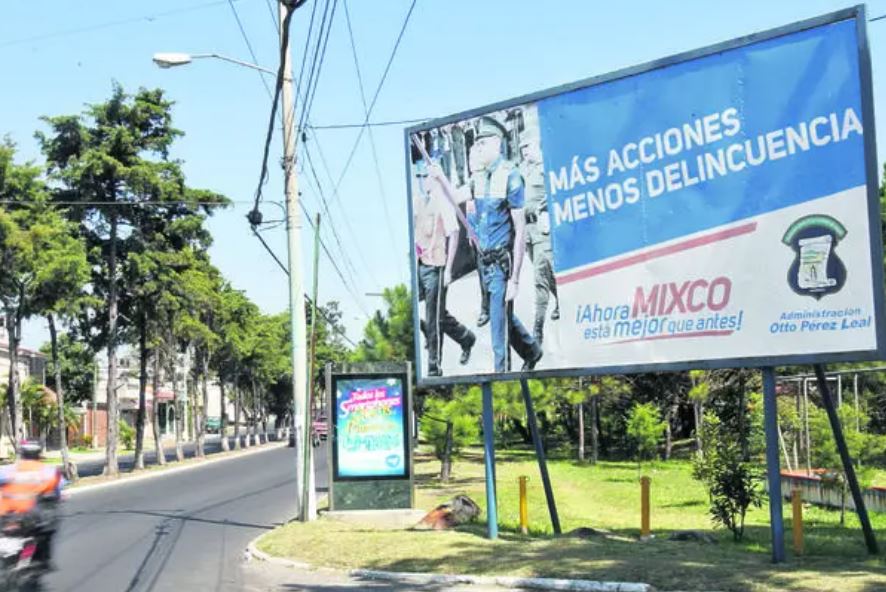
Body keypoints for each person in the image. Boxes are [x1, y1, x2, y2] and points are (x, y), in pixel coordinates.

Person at [429, 116, 543, 373]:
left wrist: (514, 280)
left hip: (502, 263)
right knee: (498, 314)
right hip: (485, 261)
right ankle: (532, 350)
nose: (477, 148)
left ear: (496, 144)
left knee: (497, 330)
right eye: (476, 144)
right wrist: (439, 179)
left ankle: (501, 377)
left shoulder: (511, 176)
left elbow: (521, 228)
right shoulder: (478, 178)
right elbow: (455, 197)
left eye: (482, 144)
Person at [413, 159, 476, 377]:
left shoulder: (443, 202)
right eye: (421, 177)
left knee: (433, 317)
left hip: (437, 267)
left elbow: (454, 232)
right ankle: (466, 337)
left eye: (427, 177)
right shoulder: (421, 200)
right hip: (421, 265)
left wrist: (448, 270)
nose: (423, 181)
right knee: (434, 313)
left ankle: (433, 365)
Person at [519, 134, 560, 345]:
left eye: (528, 146)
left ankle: (537, 330)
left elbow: (556, 191)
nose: (525, 150)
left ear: (538, 145)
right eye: (522, 147)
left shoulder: (547, 166)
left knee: (539, 279)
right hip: (527, 231)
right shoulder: (523, 169)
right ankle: (560, 300)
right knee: (545, 273)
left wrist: (544, 208)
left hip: (543, 228)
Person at [0, 440, 64, 569]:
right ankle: (42, 559)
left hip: (5, 514)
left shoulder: (8, 470)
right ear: (39, 453)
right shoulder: (48, 471)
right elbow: (58, 487)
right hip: (30, 515)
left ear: (22, 453)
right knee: (48, 528)